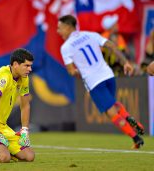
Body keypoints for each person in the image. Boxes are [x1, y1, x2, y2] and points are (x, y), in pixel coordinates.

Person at [58, 15, 144, 149]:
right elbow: (111, 46)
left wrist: (79, 72)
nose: (58, 31)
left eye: (60, 28)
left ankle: (136, 138)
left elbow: (71, 72)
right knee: (113, 104)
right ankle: (131, 121)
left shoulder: (66, 47)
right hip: (108, 75)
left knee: (111, 113)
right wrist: (125, 62)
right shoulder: (91, 35)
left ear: (68, 27)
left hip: (94, 81)